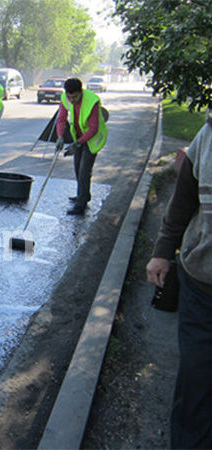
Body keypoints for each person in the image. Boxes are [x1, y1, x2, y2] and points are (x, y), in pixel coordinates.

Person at [146, 111, 212, 449]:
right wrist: (162, 251)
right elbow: (184, 198)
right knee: (197, 383)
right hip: (202, 285)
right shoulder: (209, 134)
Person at [55, 78, 108, 215]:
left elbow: (94, 128)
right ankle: (83, 194)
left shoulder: (92, 101)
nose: (71, 100)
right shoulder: (65, 98)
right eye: (69, 96)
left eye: (75, 96)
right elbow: (61, 118)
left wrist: (77, 144)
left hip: (93, 139)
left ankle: (81, 204)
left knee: (84, 171)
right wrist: (60, 137)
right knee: (78, 168)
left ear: (81, 92)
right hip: (78, 136)